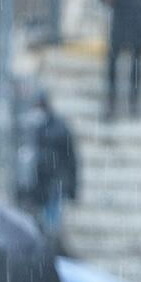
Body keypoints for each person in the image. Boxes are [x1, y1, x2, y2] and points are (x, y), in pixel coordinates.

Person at [31, 93, 79, 236]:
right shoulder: (35, 128)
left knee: (51, 223)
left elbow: (71, 160)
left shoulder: (59, 129)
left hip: (54, 183)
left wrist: (72, 188)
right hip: (39, 184)